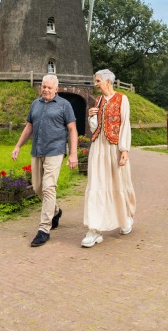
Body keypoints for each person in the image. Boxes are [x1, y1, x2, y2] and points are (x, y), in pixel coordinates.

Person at [12, 74, 78, 247]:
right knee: (37, 187)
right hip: (37, 151)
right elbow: (29, 127)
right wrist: (18, 146)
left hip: (55, 151)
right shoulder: (35, 104)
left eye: (49, 87)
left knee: (49, 187)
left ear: (57, 89)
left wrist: (73, 154)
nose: (46, 90)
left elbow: (72, 129)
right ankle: (55, 211)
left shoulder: (64, 105)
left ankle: (44, 230)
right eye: (44, 87)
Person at [81, 69, 136, 248]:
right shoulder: (98, 100)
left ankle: (125, 218)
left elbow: (125, 124)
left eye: (98, 81)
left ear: (108, 81)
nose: (95, 84)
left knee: (119, 183)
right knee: (96, 184)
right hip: (98, 147)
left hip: (114, 148)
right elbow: (94, 127)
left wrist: (124, 150)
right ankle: (94, 229)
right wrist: (91, 117)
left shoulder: (122, 99)